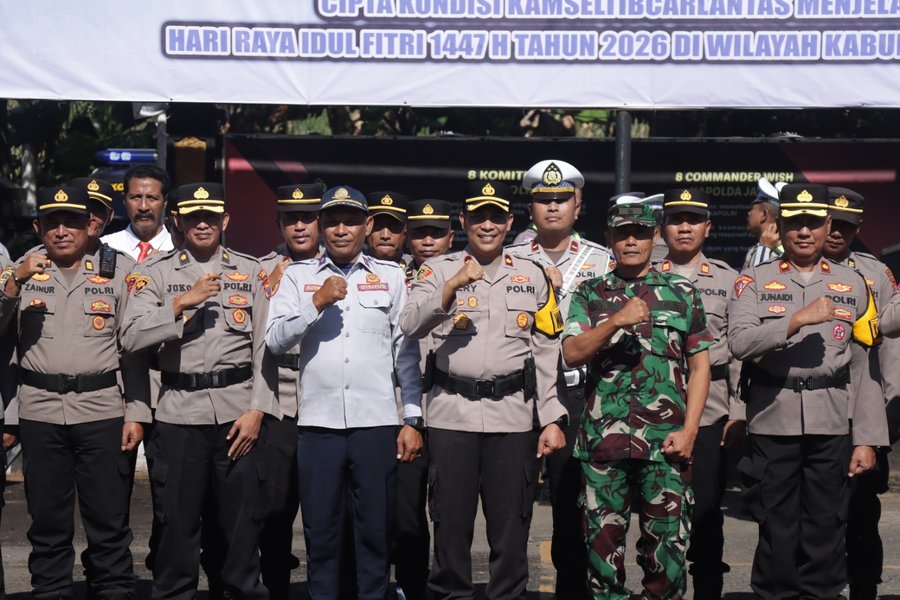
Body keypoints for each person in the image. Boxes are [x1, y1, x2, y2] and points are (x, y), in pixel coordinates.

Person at [399, 180, 567, 600]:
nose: (487, 225)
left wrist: (551, 417)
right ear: (463, 222)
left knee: (511, 528)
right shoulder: (437, 270)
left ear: (510, 222)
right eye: (478, 217)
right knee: (450, 527)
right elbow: (409, 325)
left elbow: (546, 352)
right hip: (451, 415)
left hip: (512, 417)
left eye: (496, 217)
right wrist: (452, 285)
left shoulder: (533, 274)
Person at [728, 183, 887, 600]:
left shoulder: (854, 283)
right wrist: (795, 320)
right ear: (781, 225)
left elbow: (864, 367)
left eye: (813, 223)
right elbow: (739, 343)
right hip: (773, 418)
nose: (804, 232)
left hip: (832, 422)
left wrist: (867, 438)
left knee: (826, 525)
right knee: (775, 525)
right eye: (795, 222)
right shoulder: (753, 280)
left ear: (828, 225)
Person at [120, 182, 278, 600]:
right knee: (176, 526)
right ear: (177, 221)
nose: (203, 224)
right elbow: (130, 337)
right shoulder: (153, 273)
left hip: (237, 415)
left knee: (242, 528)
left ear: (225, 220)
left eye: (210, 217)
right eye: (193, 217)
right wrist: (179, 304)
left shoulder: (251, 271)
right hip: (178, 415)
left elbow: (265, 349)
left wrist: (258, 411)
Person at [266, 185, 423, 600]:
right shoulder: (297, 276)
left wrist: (412, 416)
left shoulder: (390, 276)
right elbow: (275, 340)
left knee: (375, 530)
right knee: (321, 531)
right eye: (332, 221)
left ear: (367, 226)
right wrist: (315, 303)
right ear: (320, 225)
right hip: (318, 426)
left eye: (351, 221)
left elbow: (405, 353)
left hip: (376, 423)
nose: (341, 230)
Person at [0, 185, 151, 600]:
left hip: (102, 412)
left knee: (109, 521)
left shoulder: (118, 270)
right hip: (40, 412)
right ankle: (51, 591)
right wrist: (14, 284)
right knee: (47, 522)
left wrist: (137, 412)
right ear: (38, 227)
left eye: (72, 222)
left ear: (90, 225)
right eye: (52, 223)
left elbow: (133, 348)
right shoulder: (19, 270)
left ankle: (114, 590)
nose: (62, 231)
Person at [562, 201, 712, 600]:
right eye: (622, 234)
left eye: (641, 233)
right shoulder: (589, 292)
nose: (631, 241)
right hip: (603, 442)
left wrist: (690, 431)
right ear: (608, 238)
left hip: (665, 443)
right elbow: (572, 353)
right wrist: (615, 321)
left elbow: (700, 367)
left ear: (655, 237)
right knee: (601, 550)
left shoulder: (682, 293)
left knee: (667, 551)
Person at [506, 159, 612, 600]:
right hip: (519, 391)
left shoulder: (601, 260)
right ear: (530, 207)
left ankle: (572, 591)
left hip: (576, 391)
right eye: (544, 199)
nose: (552, 207)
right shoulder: (509, 258)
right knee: (512, 505)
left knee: (572, 504)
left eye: (561, 199)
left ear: (578, 205)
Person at [657, 188, 744, 599]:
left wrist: (738, 411)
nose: (684, 227)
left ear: (708, 227)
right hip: (653, 410)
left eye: (693, 220)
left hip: (710, 411)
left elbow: (740, 351)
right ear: (663, 227)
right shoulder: (644, 275)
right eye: (676, 220)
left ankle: (708, 591)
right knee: (658, 514)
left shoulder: (729, 280)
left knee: (707, 511)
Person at [822, 186, 899, 600]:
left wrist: (889, 413)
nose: (837, 233)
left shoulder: (876, 274)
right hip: (811, 409)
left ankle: (864, 588)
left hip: (861, 413)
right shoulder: (789, 270)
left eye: (846, 227)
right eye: (831, 224)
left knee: (862, 513)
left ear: (858, 228)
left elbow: (891, 350)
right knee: (813, 513)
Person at [256, 182, 324, 598]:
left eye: (307, 218)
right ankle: (276, 587)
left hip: (326, 399)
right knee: (274, 509)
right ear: (278, 222)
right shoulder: (260, 270)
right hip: (279, 401)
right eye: (290, 219)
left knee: (326, 509)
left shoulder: (341, 266)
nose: (299, 227)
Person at [101, 165, 174, 261]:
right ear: (124, 199)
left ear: (165, 201)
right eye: (136, 197)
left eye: (152, 198)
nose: (143, 207)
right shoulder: (105, 246)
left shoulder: (177, 249)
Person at [743, 177, 786, 269]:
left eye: (752, 209)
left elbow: (757, 277)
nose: (749, 213)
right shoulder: (757, 248)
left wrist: (764, 249)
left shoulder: (780, 253)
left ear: (764, 214)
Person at [366, 190, 413, 266]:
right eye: (377, 226)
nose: (385, 235)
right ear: (366, 227)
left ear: (406, 230)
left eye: (394, 226)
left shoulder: (419, 269)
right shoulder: (348, 267)